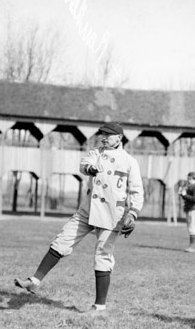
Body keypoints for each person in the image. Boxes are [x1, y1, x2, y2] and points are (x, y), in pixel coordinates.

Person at [14, 122, 144, 314]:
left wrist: (132, 214)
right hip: (88, 209)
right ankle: (34, 281)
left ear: (119, 138)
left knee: (103, 256)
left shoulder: (129, 161)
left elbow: (137, 191)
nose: (104, 137)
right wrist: (90, 169)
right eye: (103, 134)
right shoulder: (96, 152)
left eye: (109, 135)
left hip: (112, 214)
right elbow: (84, 164)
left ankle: (99, 307)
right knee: (62, 240)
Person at [179, 171, 195, 253]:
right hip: (190, 209)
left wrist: (184, 195)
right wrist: (182, 195)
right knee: (191, 227)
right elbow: (187, 198)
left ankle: (191, 247)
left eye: (188, 178)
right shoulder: (190, 187)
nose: (187, 180)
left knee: (192, 228)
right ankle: (191, 246)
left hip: (193, 209)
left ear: (191, 178)